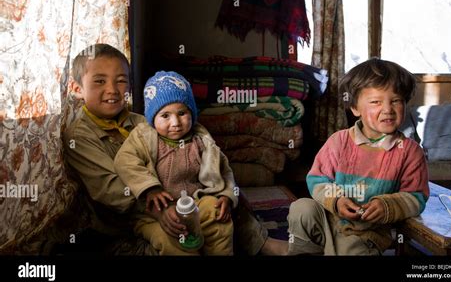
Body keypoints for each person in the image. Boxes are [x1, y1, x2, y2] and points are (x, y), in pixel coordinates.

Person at [63, 44, 287, 255]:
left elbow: (199, 154)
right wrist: (160, 209)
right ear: (77, 89)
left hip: (182, 200)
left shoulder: (143, 121)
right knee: (175, 242)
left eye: (121, 81)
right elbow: (112, 191)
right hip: (127, 221)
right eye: (99, 81)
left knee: (221, 199)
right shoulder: (79, 136)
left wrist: (216, 192)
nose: (112, 89)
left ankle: (259, 242)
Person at [287, 58, 429, 255]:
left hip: (368, 234)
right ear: (355, 108)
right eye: (375, 102)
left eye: (396, 100)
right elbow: (318, 180)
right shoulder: (339, 141)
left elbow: (416, 196)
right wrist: (336, 200)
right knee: (301, 208)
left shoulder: (410, 151)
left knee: (350, 250)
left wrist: (387, 205)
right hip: (329, 221)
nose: (387, 109)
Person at [114, 71, 238, 255]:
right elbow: (124, 162)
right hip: (154, 215)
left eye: (182, 113)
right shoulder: (143, 136)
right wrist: (150, 189)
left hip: (195, 203)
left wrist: (226, 195)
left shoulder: (201, 139)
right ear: (152, 118)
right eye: (165, 115)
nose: (175, 122)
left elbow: (223, 170)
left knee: (218, 218)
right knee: (172, 242)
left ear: (191, 112)